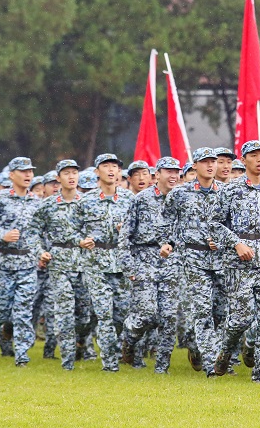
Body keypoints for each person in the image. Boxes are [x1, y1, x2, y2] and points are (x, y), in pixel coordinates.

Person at [212, 140, 260, 382]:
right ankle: (225, 352)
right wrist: (236, 243)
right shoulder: (230, 190)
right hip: (239, 264)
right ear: (243, 160)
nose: (259, 160)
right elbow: (214, 224)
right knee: (241, 319)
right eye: (254, 155)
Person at [162, 148, 226, 374]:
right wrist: (168, 242)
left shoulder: (226, 193)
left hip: (221, 261)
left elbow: (234, 224)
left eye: (213, 162)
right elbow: (165, 220)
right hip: (192, 260)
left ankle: (198, 348)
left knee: (221, 313)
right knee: (202, 311)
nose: (210, 166)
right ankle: (212, 364)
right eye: (205, 162)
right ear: (195, 165)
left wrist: (223, 240)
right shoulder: (180, 193)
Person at [0, 156, 43, 367]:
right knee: (0, 312)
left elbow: (42, 232)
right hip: (3, 266)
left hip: (27, 264)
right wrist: (2, 235)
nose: (28, 175)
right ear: (12, 175)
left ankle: (22, 357)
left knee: (23, 311)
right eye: (23, 171)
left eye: (30, 171)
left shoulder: (37, 202)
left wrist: (41, 252)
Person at [120, 156, 181, 374]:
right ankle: (128, 340)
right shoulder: (141, 199)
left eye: (176, 172)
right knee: (146, 314)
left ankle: (162, 367)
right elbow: (125, 235)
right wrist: (128, 266)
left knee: (169, 317)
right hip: (144, 260)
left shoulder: (181, 199)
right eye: (168, 171)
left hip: (171, 263)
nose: (173, 176)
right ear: (157, 175)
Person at [26, 160, 87, 371]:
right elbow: (32, 231)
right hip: (59, 263)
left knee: (85, 315)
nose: (71, 177)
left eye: (74, 173)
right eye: (66, 173)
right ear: (58, 178)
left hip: (86, 263)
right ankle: (67, 360)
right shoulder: (48, 205)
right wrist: (40, 251)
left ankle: (80, 343)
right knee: (64, 310)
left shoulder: (88, 202)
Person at [78, 153, 133, 372]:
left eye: (115, 167)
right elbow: (72, 228)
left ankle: (114, 348)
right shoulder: (86, 200)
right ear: (96, 172)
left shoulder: (129, 199)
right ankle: (110, 362)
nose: (111, 170)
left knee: (121, 314)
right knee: (104, 314)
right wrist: (81, 240)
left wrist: (126, 231)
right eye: (106, 166)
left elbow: (141, 229)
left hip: (121, 262)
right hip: (96, 263)